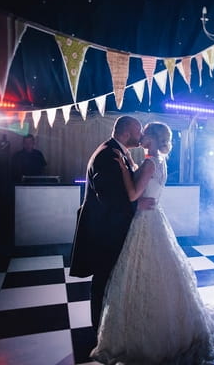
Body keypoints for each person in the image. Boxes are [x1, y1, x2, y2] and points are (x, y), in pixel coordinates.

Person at [91, 122, 214, 364]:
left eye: (145, 134)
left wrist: (125, 170)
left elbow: (134, 195)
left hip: (144, 220)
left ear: (153, 139)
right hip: (154, 218)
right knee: (158, 271)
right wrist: (133, 168)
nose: (141, 136)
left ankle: (146, 326)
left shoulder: (149, 162)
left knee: (143, 271)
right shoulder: (158, 161)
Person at [69, 115, 155, 332]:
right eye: (138, 131)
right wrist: (137, 206)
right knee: (103, 280)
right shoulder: (107, 155)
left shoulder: (117, 152)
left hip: (113, 228)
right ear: (126, 131)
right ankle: (99, 329)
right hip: (104, 231)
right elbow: (107, 197)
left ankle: (111, 325)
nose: (141, 135)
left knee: (111, 278)